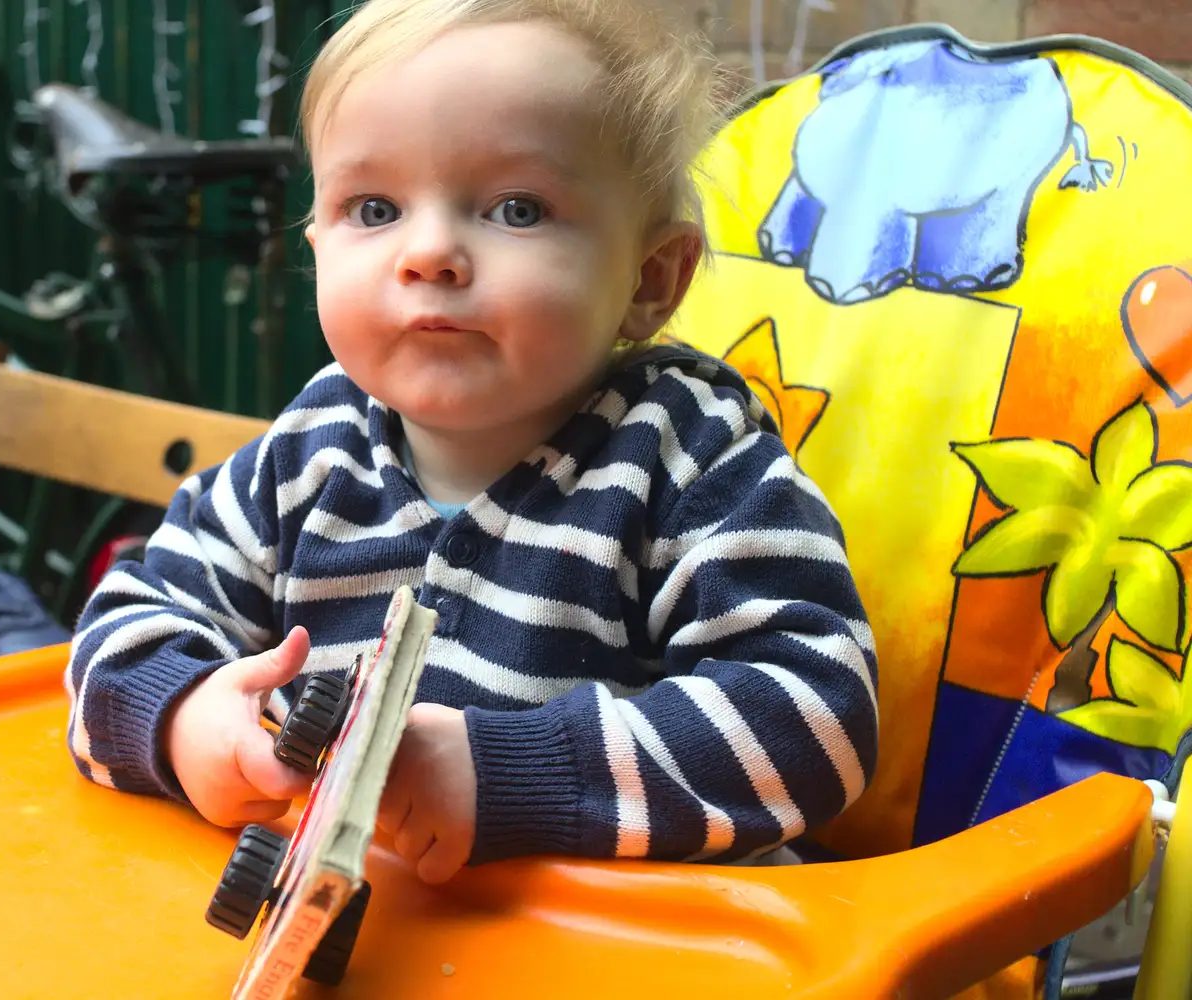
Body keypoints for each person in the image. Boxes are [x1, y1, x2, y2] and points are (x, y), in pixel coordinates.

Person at [65, 0, 878, 886]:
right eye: (373, 207)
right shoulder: (307, 455)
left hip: (632, 952)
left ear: (650, 279)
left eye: (517, 209)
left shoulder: (689, 460)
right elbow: (122, 629)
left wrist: (508, 772)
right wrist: (186, 719)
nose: (430, 253)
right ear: (316, 243)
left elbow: (815, 719)